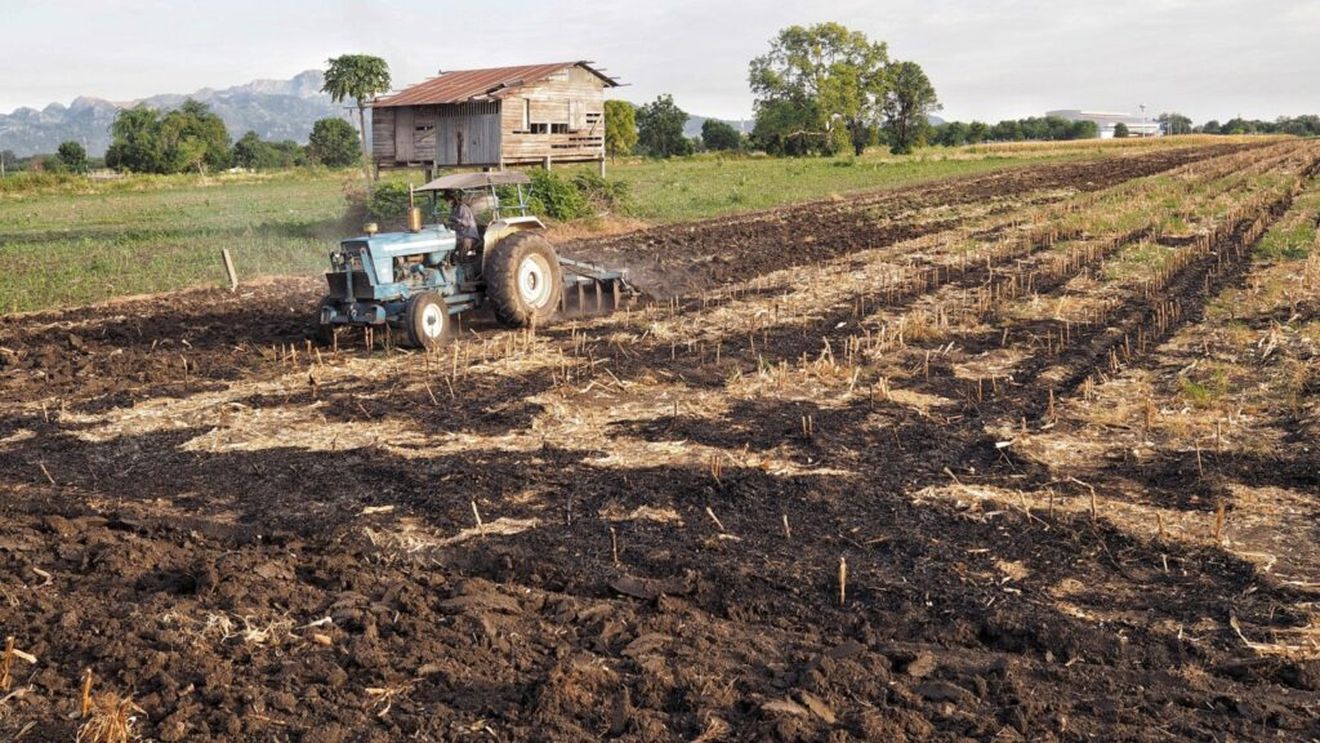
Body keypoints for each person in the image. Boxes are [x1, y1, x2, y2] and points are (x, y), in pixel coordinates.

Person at [447, 191, 479, 258]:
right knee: (448, 247)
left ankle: (462, 261)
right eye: (447, 200)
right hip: (460, 236)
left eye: (448, 200)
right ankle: (449, 260)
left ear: (454, 199)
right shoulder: (454, 209)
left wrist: (455, 220)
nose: (447, 202)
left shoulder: (462, 208)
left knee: (463, 245)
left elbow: (465, 223)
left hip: (469, 236)